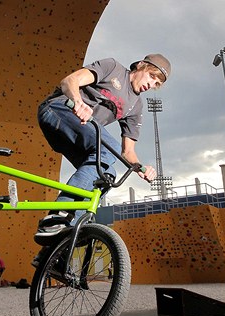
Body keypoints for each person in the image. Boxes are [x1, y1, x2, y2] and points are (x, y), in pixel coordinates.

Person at [32, 54, 171, 265]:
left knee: (107, 174)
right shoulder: (113, 67)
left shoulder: (136, 107)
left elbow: (127, 152)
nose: (151, 84)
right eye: (152, 76)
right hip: (58, 110)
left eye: (156, 84)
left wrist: (141, 168)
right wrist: (78, 102)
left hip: (77, 133)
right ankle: (57, 216)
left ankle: (56, 248)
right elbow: (69, 81)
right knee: (108, 149)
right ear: (141, 66)